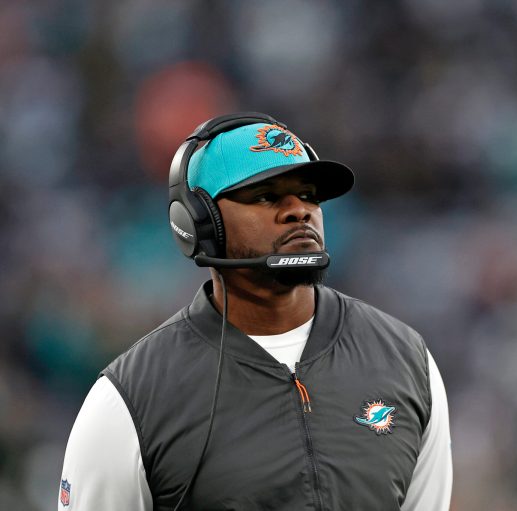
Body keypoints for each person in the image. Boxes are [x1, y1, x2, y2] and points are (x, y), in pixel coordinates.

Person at [58, 112, 452, 510]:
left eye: (309, 194)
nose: (299, 211)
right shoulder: (130, 399)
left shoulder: (407, 362)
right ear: (200, 223)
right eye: (265, 196)